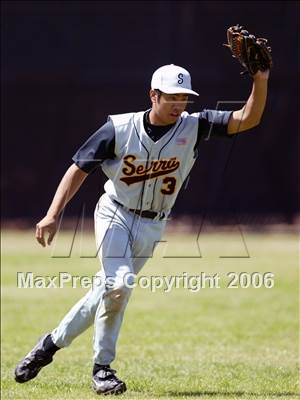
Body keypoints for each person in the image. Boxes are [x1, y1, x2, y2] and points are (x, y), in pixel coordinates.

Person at [14, 64, 269, 395]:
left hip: (154, 224)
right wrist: (52, 214)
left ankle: (48, 345)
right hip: (115, 214)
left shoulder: (195, 125)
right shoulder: (119, 128)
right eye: (172, 97)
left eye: (184, 98)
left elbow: (248, 118)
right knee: (119, 285)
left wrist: (260, 80)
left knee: (105, 293)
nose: (179, 105)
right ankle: (102, 369)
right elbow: (78, 168)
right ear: (154, 95)